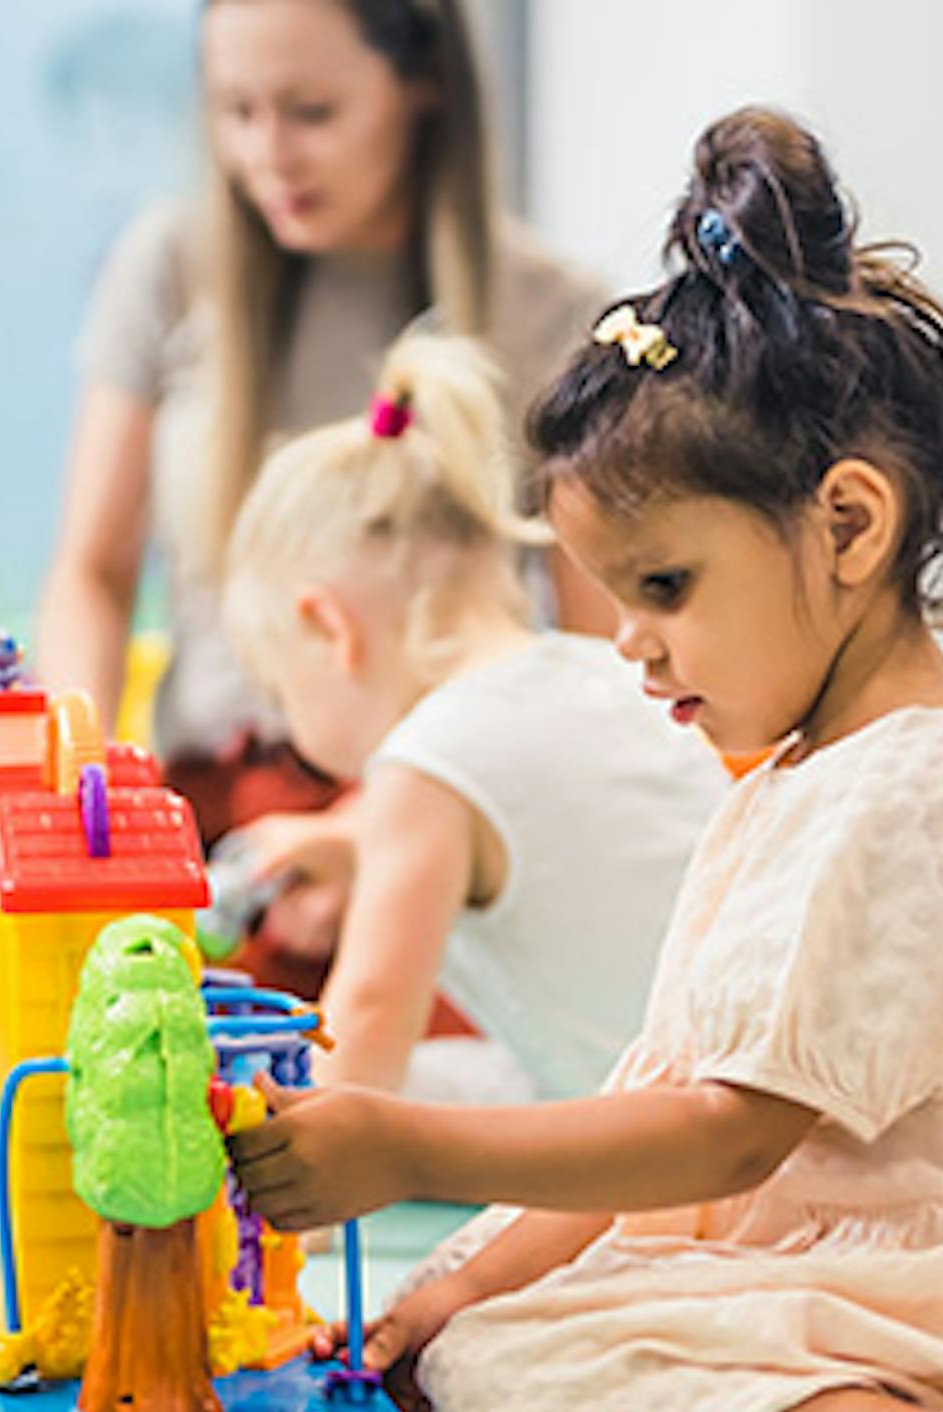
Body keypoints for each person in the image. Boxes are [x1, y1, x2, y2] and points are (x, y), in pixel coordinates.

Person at [228, 109, 943, 1412]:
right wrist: (457, 1279)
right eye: (614, 596)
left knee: (568, 1375)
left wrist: (418, 1147)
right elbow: (658, 1089)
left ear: (846, 523)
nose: (630, 642)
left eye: (665, 587)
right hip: (856, 1251)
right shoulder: (787, 774)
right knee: (497, 1352)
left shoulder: (938, 785)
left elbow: (724, 1134)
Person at [36, 0, 611, 862]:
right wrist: (75, 784)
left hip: (451, 821)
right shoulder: (165, 266)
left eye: (312, 113)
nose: (268, 156)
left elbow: (592, 658)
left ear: (421, 84)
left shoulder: (552, 313)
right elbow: (93, 571)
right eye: (237, 111)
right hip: (212, 819)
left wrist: (375, 835)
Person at [222, 332, 726, 1102]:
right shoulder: (605, 672)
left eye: (277, 687)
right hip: (754, 1110)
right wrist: (351, 846)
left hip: (668, 1162)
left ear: (329, 629)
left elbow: (359, 1049)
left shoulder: (426, 765)